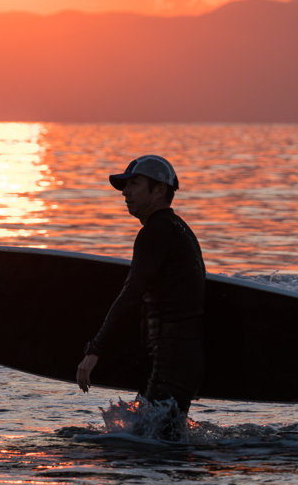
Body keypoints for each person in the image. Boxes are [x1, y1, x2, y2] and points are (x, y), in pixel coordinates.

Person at [76, 155, 206, 414]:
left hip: (171, 363)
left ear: (159, 190)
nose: (125, 192)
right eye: (125, 185)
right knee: (151, 441)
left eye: (134, 184)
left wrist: (95, 349)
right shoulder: (178, 229)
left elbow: (132, 293)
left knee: (154, 450)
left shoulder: (155, 233)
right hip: (176, 359)